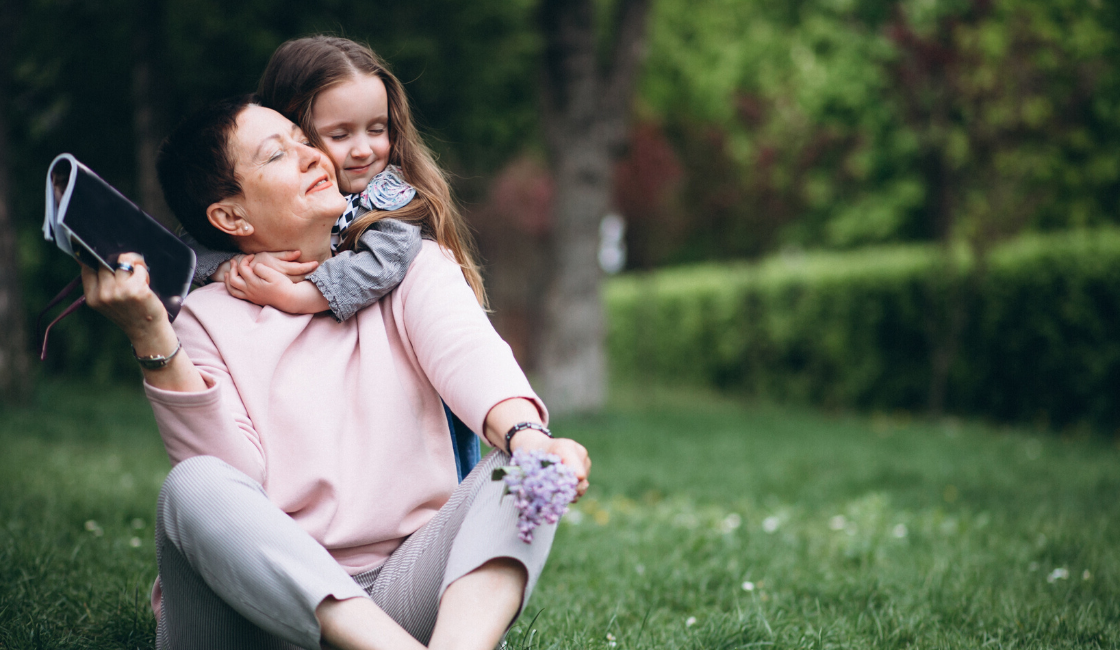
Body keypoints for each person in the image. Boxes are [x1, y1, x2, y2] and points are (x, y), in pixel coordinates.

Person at [81, 94, 590, 649]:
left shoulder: (411, 267)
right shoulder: (204, 319)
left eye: (305, 141)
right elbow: (232, 483)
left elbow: (470, 355)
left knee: (524, 467)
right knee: (193, 483)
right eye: (277, 154)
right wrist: (150, 334)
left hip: (402, 590)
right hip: (259, 616)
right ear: (230, 216)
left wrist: (527, 435)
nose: (311, 157)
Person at [188, 35, 488, 479]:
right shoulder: (258, 204)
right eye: (340, 134)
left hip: (407, 395)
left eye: (377, 128)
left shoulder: (389, 197)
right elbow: (188, 242)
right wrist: (225, 267)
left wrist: (301, 295)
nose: (365, 149)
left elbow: (383, 262)